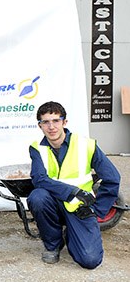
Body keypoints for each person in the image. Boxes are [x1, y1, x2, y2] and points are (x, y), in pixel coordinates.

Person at [28, 101, 120, 268]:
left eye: (56, 121)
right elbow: (39, 179)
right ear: (40, 126)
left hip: (80, 207)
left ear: (64, 122)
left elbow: (112, 178)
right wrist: (72, 191)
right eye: (45, 122)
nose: (51, 127)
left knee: (90, 260)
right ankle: (53, 244)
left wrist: (97, 210)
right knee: (37, 197)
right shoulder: (37, 148)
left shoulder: (86, 145)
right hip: (52, 202)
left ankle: (71, 233)